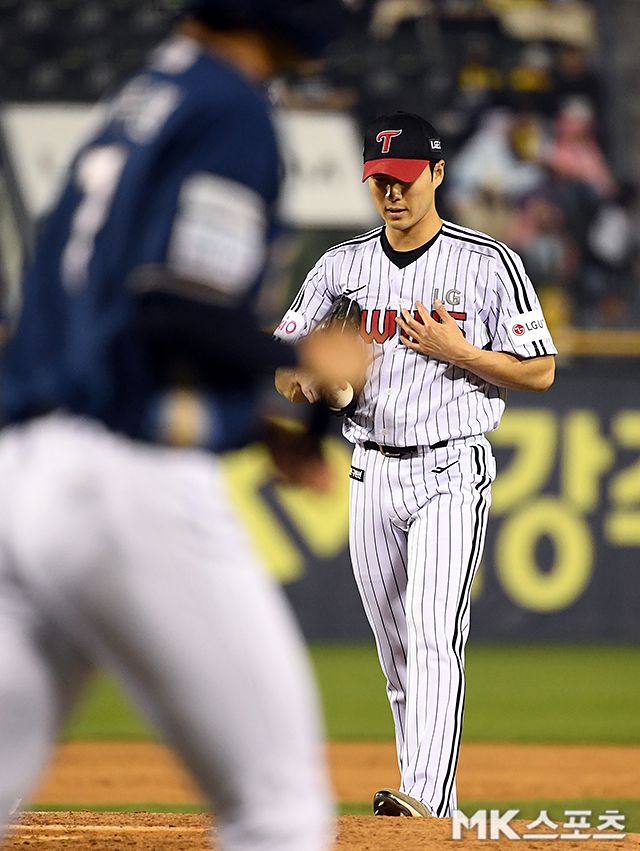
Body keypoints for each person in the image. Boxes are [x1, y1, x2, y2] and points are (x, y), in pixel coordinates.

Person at [0, 2, 368, 850]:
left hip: (25, 471)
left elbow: (113, 310)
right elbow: (176, 305)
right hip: (124, 484)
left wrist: (260, 414)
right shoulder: (229, 107)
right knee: (277, 810)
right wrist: (307, 358)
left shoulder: (139, 103)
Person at [275, 111, 557, 818]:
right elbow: (286, 364)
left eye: (404, 179)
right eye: (379, 181)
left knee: (434, 629)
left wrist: (459, 352)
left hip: (451, 467)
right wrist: (308, 382)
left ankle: (424, 800)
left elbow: (541, 370)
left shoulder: (487, 262)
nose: (392, 194)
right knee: (398, 653)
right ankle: (431, 808)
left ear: (435, 174)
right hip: (370, 470)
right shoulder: (342, 267)